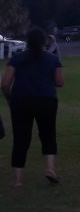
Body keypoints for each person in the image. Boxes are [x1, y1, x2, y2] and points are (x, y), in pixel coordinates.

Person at [2, 27, 64, 187]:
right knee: (48, 134)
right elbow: (59, 82)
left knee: (21, 138)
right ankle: (50, 169)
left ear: (27, 41)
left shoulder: (17, 58)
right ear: (44, 42)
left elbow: (5, 83)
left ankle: (17, 179)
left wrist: (10, 99)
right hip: (46, 100)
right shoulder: (52, 59)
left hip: (21, 101)